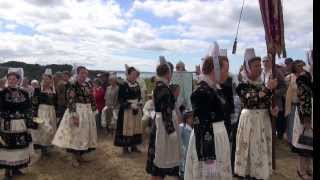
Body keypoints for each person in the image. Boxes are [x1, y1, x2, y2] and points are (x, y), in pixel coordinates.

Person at [184, 42, 232, 180]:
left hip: (218, 137)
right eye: (226, 70)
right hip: (209, 142)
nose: (227, 74)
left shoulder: (214, 89)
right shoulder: (201, 92)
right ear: (215, 69)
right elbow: (201, 126)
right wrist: (208, 157)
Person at [234, 48, 278, 180]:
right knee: (251, 152)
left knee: (261, 153)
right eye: (256, 66)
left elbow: (266, 102)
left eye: (260, 65)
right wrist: (268, 88)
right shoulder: (242, 85)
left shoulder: (261, 85)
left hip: (263, 122)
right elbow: (250, 99)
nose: (259, 68)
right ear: (248, 68)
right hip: (250, 123)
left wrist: (272, 110)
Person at [52, 66, 98, 167]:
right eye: (82, 73)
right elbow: (70, 99)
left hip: (87, 111)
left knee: (84, 134)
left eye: (85, 73)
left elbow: (91, 97)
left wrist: (94, 109)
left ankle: (80, 155)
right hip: (77, 110)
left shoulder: (88, 84)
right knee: (75, 134)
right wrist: (73, 114)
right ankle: (73, 157)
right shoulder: (72, 84)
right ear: (77, 73)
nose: (84, 75)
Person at [146, 58, 181, 180]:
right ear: (168, 73)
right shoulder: (163, 89)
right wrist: (171, 131)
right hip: (164, 128)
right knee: (160, 161)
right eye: (171, 73)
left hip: (160, 124)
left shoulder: (159, 86)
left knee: (158, 164)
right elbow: (166, 112)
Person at [0, 68, 38, 180]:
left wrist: (30, 121)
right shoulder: (2, 93)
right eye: (10, 79)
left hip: (21, 124)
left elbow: (28, 108)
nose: (12, 81)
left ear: (18, 80)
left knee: (19, 146)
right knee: (9, 146)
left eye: (14, 79)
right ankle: (8, 171)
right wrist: (9, 115)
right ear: (7, 80)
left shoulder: (24, 93)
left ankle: (16, 168)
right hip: (8, 124)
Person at [292, 51, 313, 180]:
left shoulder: (309, 76)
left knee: (310, 143)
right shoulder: (302, 78)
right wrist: (306, 118)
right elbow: (303, 98)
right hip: (305, 114)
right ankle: (301, 170)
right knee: (303, 143)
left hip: (310, 112)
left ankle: (308, 168)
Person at [114, 65, 143, 154]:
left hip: (136, 109)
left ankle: (133, 145)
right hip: (126, 110)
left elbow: (139, 95)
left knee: (135, 128)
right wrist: (130, 105)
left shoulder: (137, 84)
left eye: (136, 74)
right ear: (128, 75)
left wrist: (140, 101)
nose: (135, 76)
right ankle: (125, 147)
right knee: (126, 128)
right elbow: (120, 99)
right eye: (133, 74)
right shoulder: (123, 85)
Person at [31, 69, 57, 156]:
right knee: (43, 128)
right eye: (45, 79)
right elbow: (34, 101)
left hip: (51, 111)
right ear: (43, 79)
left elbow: (55, 102)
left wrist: (56, 111)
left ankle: (46, 146)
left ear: (51, 80)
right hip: (41, 111)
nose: (47, 81)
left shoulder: (53, 90)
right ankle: (42, 148)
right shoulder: (38, 89)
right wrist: (34, 114)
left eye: (49, 79)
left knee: (51, 129)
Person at [262, 55, 287, 139]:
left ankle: (276, 137)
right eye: (264, 61)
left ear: (271, 62)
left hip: (275, 101)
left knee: (276, 122)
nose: (265, 63)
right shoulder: (262, 73)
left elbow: (284, 87)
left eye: (267, 61)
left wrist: (275, 93)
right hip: (265, 102)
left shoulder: (276, 72)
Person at [285, 60, 305, 145]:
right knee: (291, 123)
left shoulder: (306, 76)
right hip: (292, 105)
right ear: (294, 67)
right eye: (298, 66)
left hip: (302, 104)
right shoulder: (289, 77)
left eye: (302, 66)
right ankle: (291, 141)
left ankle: (300, 141)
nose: (301, 67)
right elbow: (284, 88)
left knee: (301, 124)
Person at [179, 111, 193, 179]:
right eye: (191, 118)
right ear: (187, 119)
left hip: (188, 150)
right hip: (183, 149)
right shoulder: (182, 127)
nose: (192, 120)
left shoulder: (191, 129)